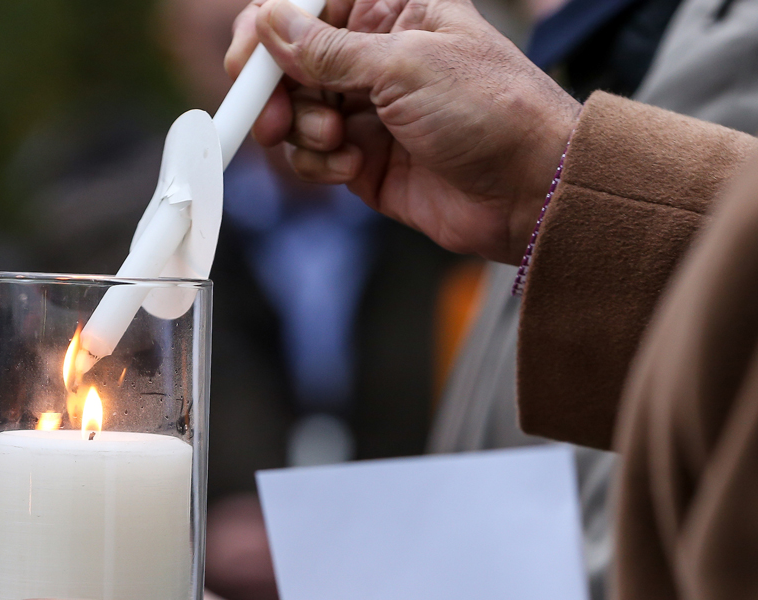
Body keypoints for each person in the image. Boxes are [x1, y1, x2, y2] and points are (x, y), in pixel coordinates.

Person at [227, 0, 758, 597]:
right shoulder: (542, 80)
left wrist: (559, 166)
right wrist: (552, 174)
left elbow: (630, 538)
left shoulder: (730, 42)